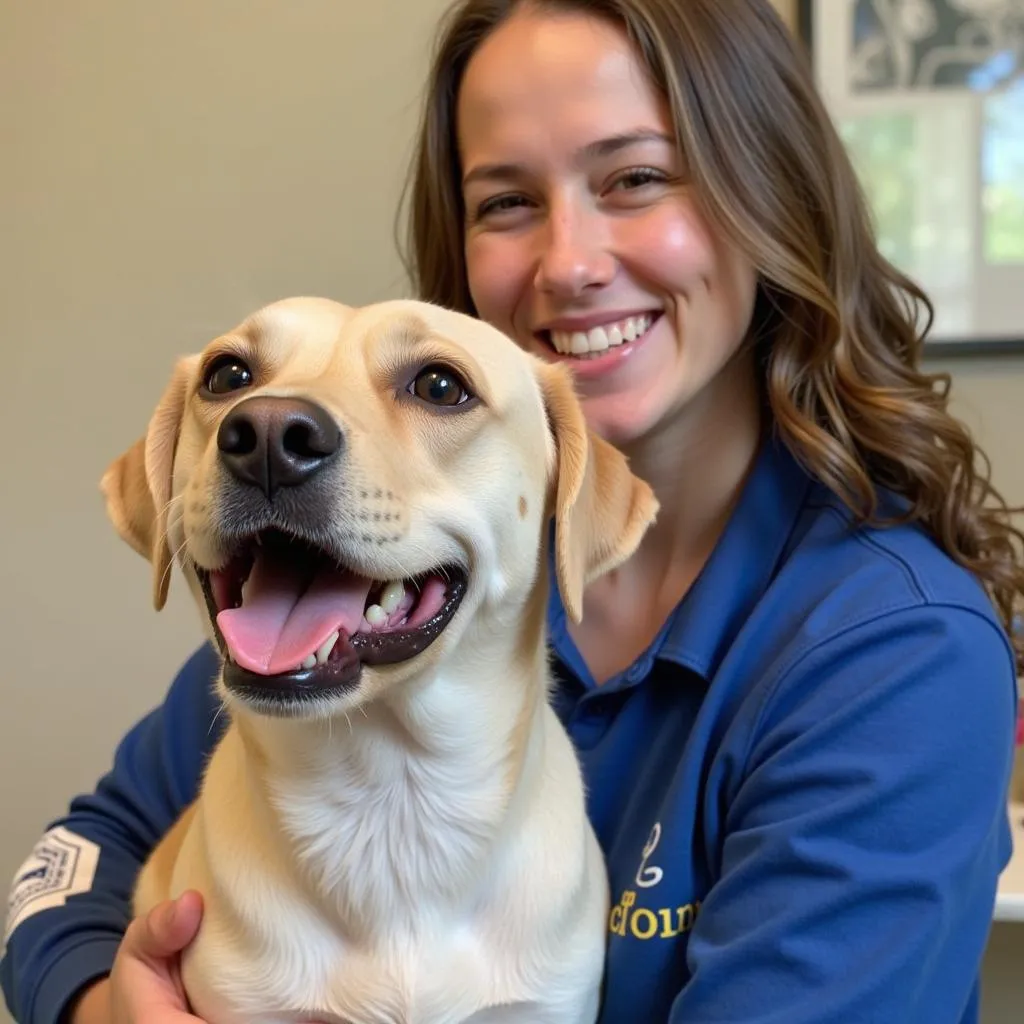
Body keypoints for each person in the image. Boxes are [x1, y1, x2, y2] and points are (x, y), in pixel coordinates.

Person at [3, 0, 1021, 1021]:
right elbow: (60, 876)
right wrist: (102, 1004)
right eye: (505, 202)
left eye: (636, 178)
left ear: (771, 199)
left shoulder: (894, 652)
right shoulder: (330, 604)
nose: (569, 262)